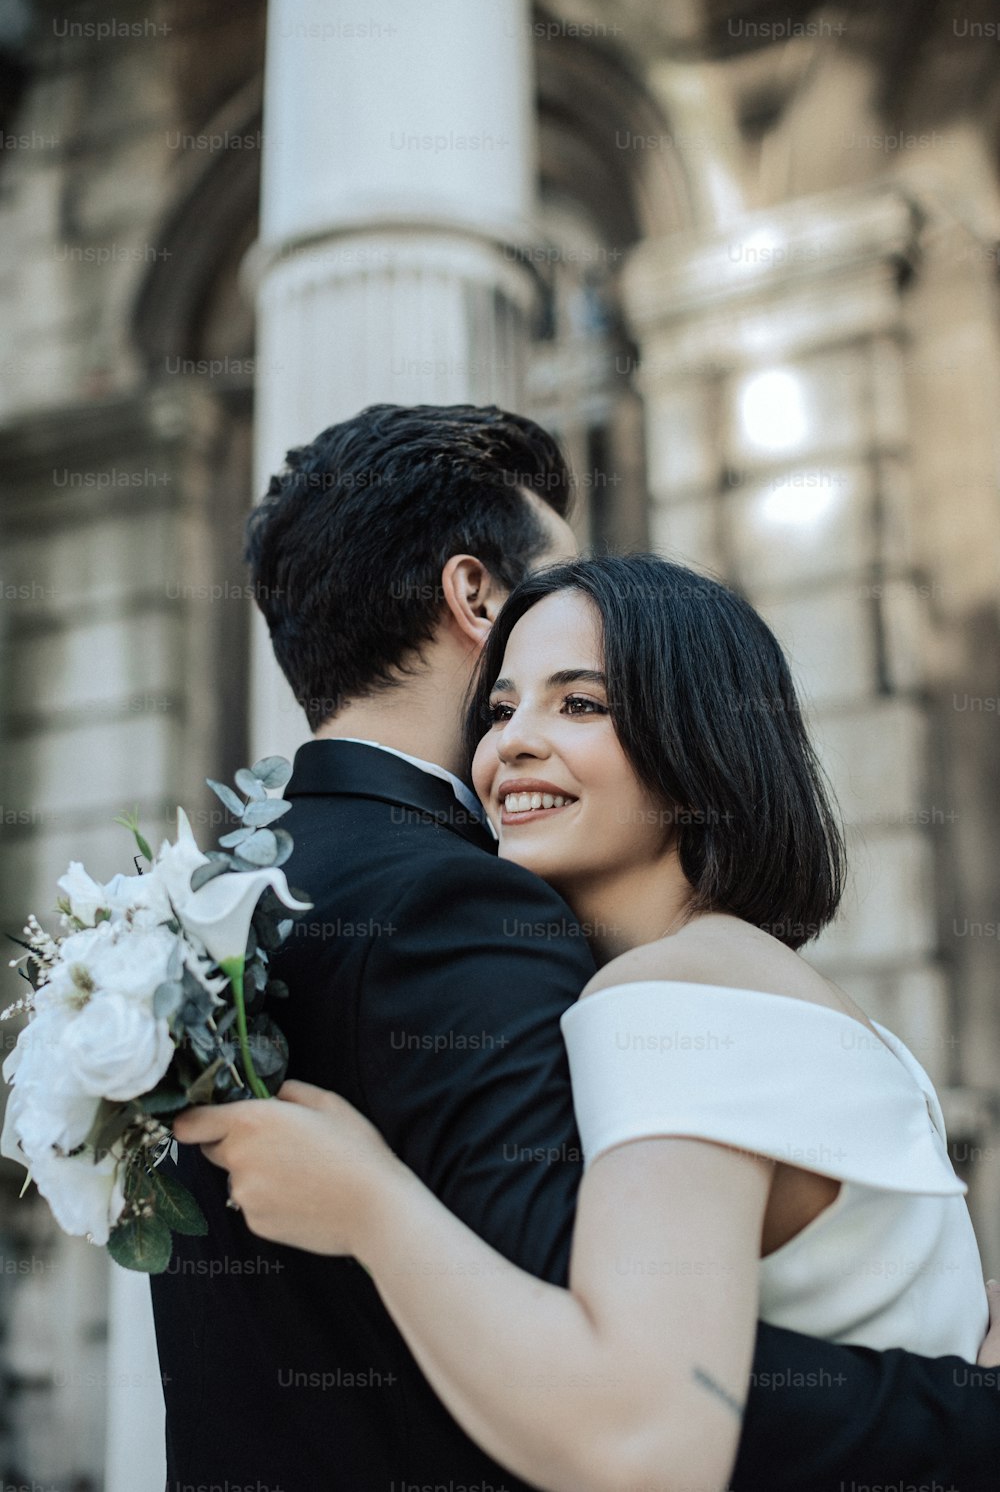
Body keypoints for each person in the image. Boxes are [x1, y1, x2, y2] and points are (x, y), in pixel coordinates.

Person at [155, 405, 1000, 1492]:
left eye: (581, 701)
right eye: (501, 704)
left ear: (695, 744)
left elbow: (647, 1424)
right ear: (472, 597)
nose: (508, 742)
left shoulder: (667, 987)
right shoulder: (716, 979)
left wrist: (371, 1203)